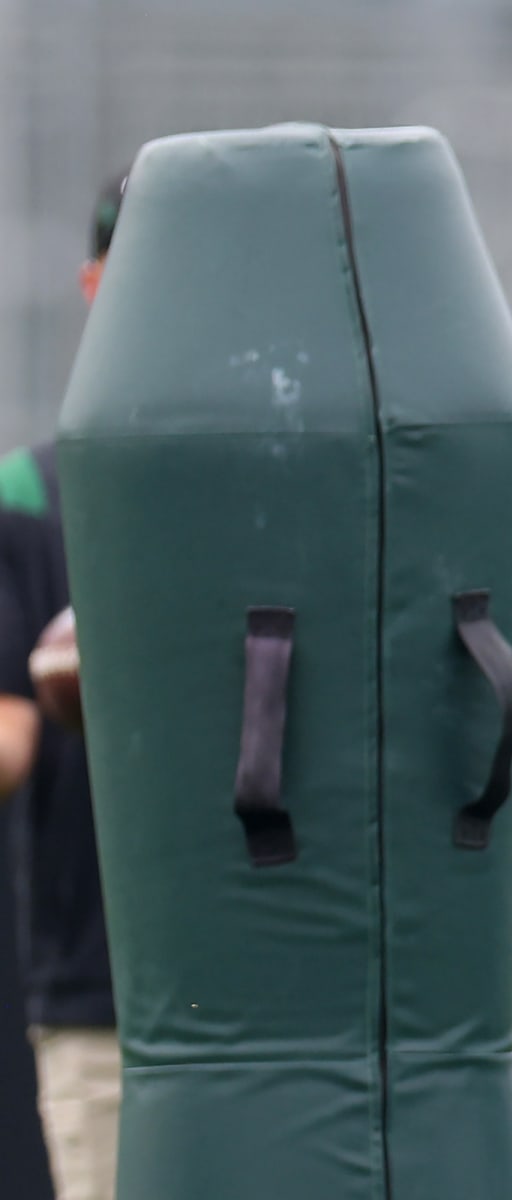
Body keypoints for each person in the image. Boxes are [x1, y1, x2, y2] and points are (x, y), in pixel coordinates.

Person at [0, 168, 128, 1200]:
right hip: (103, 996)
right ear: (95, 283)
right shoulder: (30, 495)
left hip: (283, 993)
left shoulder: (289, 477)